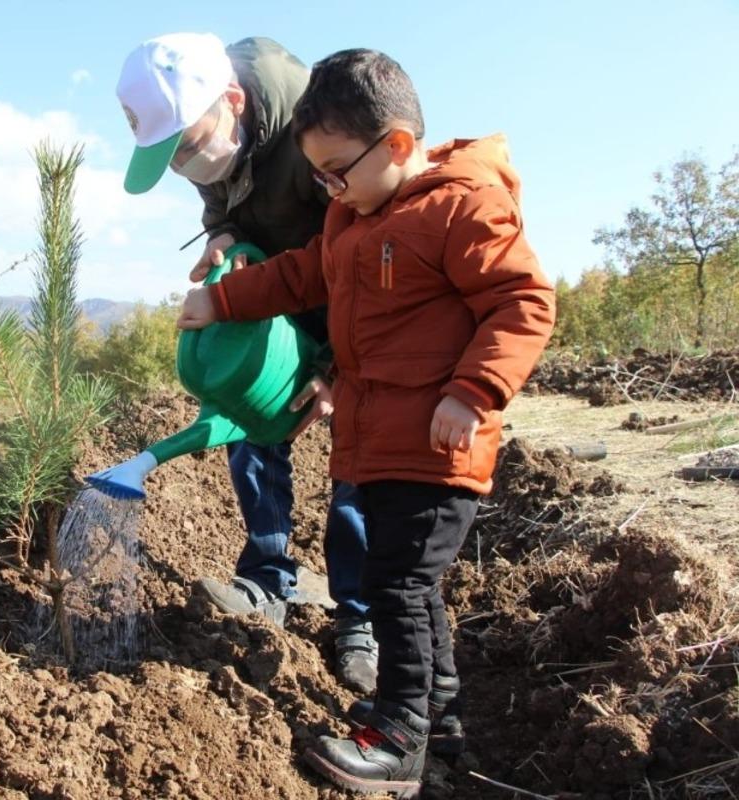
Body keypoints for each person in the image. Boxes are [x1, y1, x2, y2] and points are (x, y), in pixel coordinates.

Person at [176, 48, 556, 797]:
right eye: (317, 175)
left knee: (396, 589)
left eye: (337, 171)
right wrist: (222, 300)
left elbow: (524, 303)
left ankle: (398, 741)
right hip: (381, 444)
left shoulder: (462, 207)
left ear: (399, 146)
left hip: (438, 446)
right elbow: (298, 274)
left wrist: (472, 392)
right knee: (407, 584)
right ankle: (435, 714)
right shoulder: (354, 219)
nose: (328, 189)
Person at [116, 32, 377, 693]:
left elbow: (371, 256)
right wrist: (225, 236)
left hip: (356, 294)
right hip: (275, 286)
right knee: (244, 411)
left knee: (360, 449)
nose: (183, 164)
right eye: (169, 157)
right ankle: (267, 579)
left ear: (234, 100)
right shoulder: (216, 132)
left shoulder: (324, 129)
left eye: (186, 147)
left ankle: (361, 616)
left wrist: (340, 374)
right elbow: (220, 193)